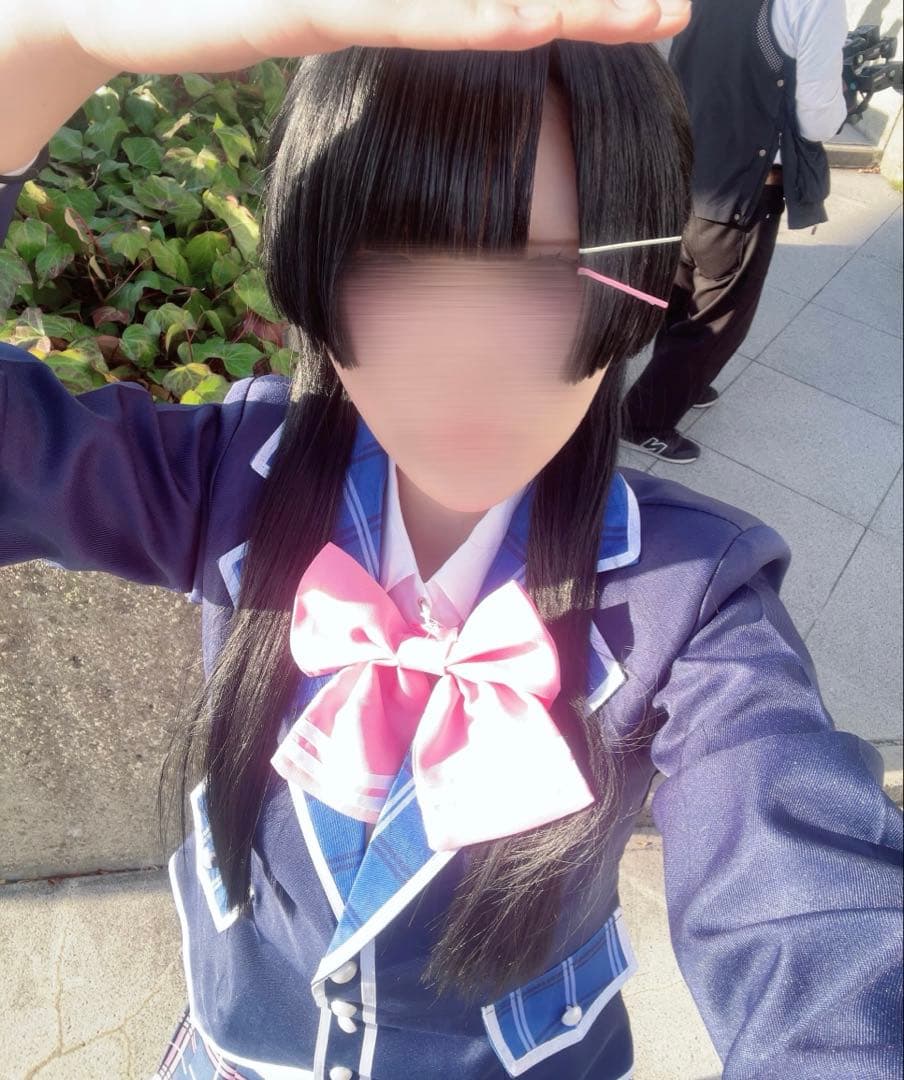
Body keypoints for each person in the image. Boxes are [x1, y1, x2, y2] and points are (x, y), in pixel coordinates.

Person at [1, 4, 901, 1079]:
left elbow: (812, 918)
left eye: (549, 275)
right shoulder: (232, 481)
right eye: (393, 263)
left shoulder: (687, 600)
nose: (466, 359)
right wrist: (44, 44)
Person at [621, 0, 850, 463]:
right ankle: (643, 420)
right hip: (742, 184)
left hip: (684, 160)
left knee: (683, 283)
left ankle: (679, 379)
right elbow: (819, 117)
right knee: (720, 314)